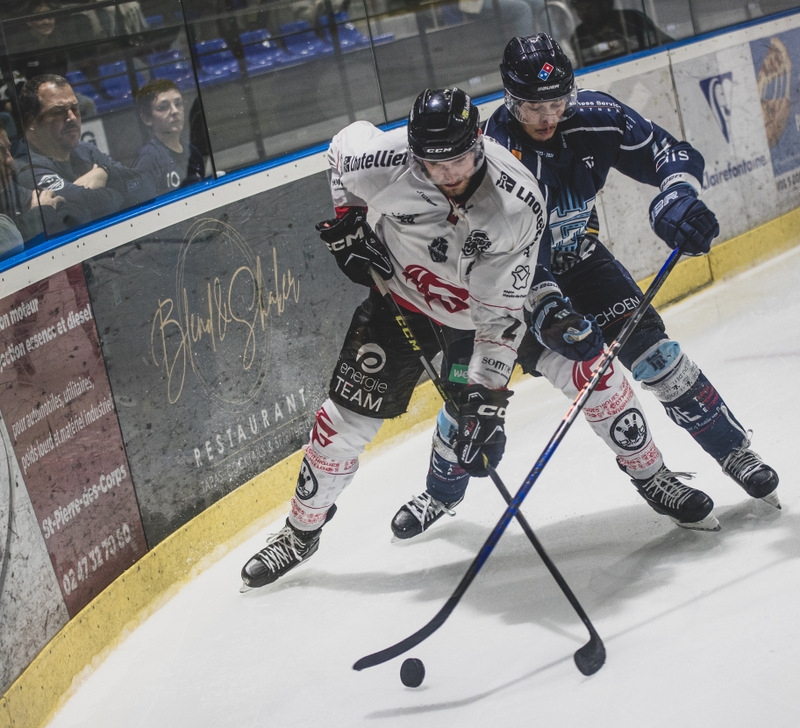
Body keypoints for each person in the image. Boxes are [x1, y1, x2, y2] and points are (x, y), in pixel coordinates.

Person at [391, 34, 780, 540]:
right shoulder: (491, 156)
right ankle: (440, 495)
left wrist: (679, 194)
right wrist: (546, 306)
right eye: (533, 105)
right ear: (510, 100)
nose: (548, 116)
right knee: (470, 401)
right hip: (507, 288)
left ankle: (727, 452)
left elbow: (668, 151)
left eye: (557, 101)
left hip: (581, 260)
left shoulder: (596, 115)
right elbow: (494, 256)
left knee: (658, 358)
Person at [240, 86, 604, 590]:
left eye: (458, 159)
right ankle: (300, 534)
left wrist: (488, 400)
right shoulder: (384, 162)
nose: (449, 173)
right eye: (434, 163)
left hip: (470, 318)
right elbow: (341, 148)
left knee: (466, 419)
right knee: (341, 421)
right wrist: (348, 224)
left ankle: (443, 493)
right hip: (400, 303)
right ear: (414, 154)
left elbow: (500, 318)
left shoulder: (516, 200)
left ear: (478, 140)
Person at [13, 74, 155, 230]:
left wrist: (105, 173)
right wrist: (118, 190)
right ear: (30, 121)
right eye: (59, 111)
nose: (72, 117)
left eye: (75, 108)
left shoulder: (86, 150)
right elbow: (90, 208)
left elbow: (146, 185)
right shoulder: (25, 168)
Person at [0, 122, 65, 254]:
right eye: (1, 151)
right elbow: (10, 239)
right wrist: (40, 213)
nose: (10, 160)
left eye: (8, 150)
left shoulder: (8, 189)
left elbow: (62, 206)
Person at [133, 79, 205, 197]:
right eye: (163, 107)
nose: (175, 111)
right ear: (147, 119)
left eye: (178, 104)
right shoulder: (149, 159)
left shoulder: (194, 153)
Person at [569, 0, 672, 67]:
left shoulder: (632, 19)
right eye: (579, 8)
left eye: (587, 6)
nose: (583, 13)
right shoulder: (579, 36)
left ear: (602, 4)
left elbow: (666, 43)